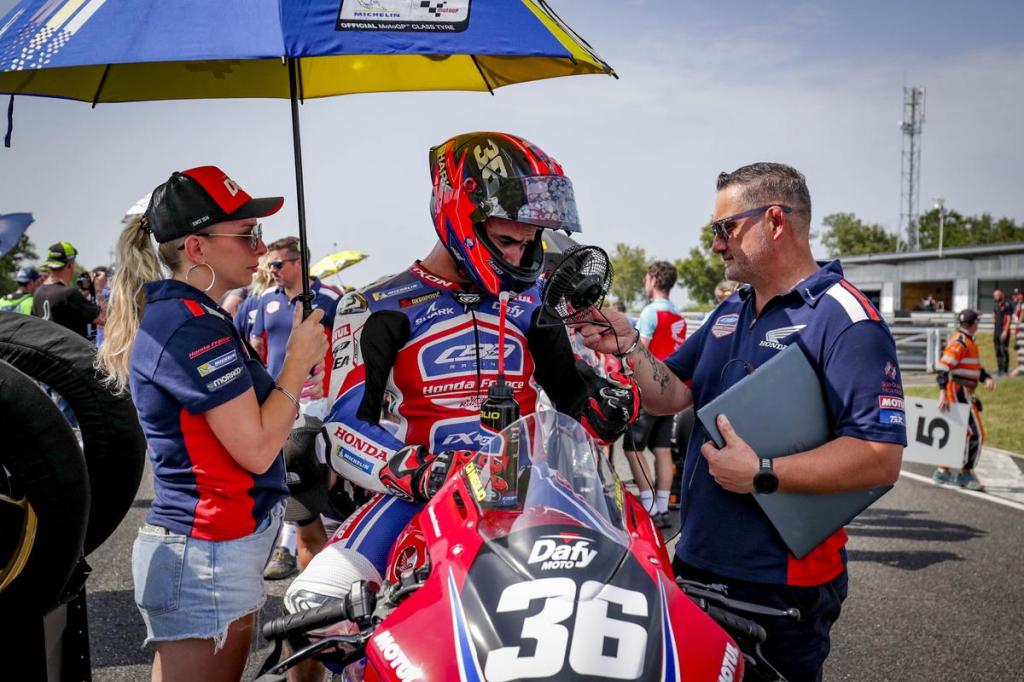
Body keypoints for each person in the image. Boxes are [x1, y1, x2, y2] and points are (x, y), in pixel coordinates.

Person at [573, 162, 905, 682]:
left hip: (779, 588)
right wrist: (629, 344)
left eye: (725, 228)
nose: (715, 245)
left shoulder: (844, 317)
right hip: (697, 563)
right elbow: (673, 394)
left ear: (775, 220)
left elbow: (880, 457)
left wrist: (762, 473)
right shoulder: (730, 311)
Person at [293, 132, 638, 611]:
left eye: (529, 242)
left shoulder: (535, 303)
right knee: (312, 604)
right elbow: (344, 430)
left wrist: (607, 403)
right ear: (460, 216)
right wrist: (419, 470)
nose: (518, 256)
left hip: (532, 494)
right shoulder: (375, 306)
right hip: (420, 498)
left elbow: (574, 399)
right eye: (506, 240)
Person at [94, 165, 328, 682]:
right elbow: (257, 448)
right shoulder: (189, 324)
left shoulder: (196, 315)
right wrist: (296, 362)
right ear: (197, 248)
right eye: (246, 234)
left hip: (211, 545)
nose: (259, 248)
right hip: (207, 551)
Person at [252, 235, 341, 580]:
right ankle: (284, 544)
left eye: (278, 264)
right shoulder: (265, 299)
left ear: (298, 263)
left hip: (315, 400)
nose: (272, 270)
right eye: (270, 264)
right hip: (276, 397)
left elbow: (345, 347)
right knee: (280, 470)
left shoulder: (330, 297)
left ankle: (299, 546)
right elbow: (258, 347)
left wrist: (329, 382)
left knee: (307, 471)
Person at [622, 260, 686, 527]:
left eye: (647, 278)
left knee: (632, 448)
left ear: (655, 280)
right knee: (662, 449)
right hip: (670, 390)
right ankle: (662, 507)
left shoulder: (650, 312)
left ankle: (649, 507)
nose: (645, 283)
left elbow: (640, 353)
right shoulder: (679, 316)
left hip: (648, 391)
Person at [931, 309, 995, 490]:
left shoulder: (966, 341)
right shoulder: (960, 342)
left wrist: (985, 378)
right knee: (976, 433)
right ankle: (965, 474)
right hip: (958, 390)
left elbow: (972, 367)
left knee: (958, 432)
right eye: (977, 321)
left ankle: (942, 471)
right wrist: (943, 392)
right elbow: (943, 366)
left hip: (963, 390)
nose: (978, 324)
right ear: (973, 324)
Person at [32, 241, 105, 338]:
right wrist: (98, 290)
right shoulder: (69, 294)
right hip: (71, 347)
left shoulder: (38, 293)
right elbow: (103, 319)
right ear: (70, 265)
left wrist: (84, 293)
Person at [992, 289, 1011, 376]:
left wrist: (1005, 331)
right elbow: (994, 314)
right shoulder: (996, 305)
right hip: (996, 331)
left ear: (1001, 295)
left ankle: (1005, 370)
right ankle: (1000, 369)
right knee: (997, 350)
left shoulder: (1007, 305)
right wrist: (993, 317)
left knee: (1004, 350)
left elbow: (1009, 319)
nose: (995, 297)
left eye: (996, 295)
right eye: (994, 296)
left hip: (1004, 331)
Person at [1012, 288, 1024, 378]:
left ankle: (1020, 369)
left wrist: (1018, 324)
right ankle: (1019, 367)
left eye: (1020, 294)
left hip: (1021, 330)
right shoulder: (1018, 304)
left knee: (1021, 349)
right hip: (1018, 329)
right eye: (1017, 294)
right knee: (1018, 349)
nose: (1017, 296)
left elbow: (1021, 318)